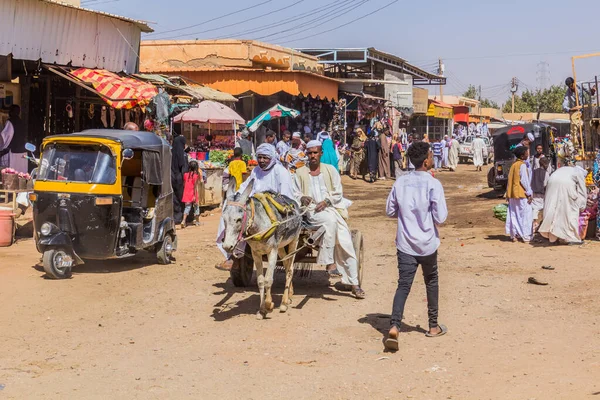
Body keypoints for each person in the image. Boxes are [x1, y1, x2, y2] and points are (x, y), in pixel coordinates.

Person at [384, 141, 448, 351]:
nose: (432, 158)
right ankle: (432, 326)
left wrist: (406, 216)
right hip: (428, 243)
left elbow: (390, 210)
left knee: (404, 285)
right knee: (431, 281)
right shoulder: (433, 184)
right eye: (431, 155)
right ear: (426, 160)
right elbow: (441, 217)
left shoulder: (400, 182)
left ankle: (394, 326)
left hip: (405, 243)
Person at [294, 140, 366, 299]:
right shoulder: (299, 173)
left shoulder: (330, 170)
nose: (312, 156)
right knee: (330, 222)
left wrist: (326, 202)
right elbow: (294, 193)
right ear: (307, 154)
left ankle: (354, 284)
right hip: (310, 211)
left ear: (321, 153)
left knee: (346, 243)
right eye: (310, 153)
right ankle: (329, 262)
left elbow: (338, 192)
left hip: (331, 209)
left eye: (315, 152)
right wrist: (302, 198)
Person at [216, 143, 296, 268]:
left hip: (272, 209)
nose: (262, 161)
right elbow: (245, 187)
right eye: (259, 157)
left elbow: (286, 196)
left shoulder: (281, 172)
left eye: (265, 158)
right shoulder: (256, 171)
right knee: (232, 212)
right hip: (254, 205)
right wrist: (235, 198)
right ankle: (232, 252)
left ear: (272, 158)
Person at [538, 166, 588, 245]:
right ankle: (572, 238)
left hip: (552, 183)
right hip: (566, 185)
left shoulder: (564, 170)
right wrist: (582, 205)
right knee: (570, 212)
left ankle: (553, 239)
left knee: (553, 210)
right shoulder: (579, 173)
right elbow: (582, 191)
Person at [505, 146, 533, 243]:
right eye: (526, 152)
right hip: (521, 194)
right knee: (525, 215)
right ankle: (525, 236)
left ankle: (514, 235)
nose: (528, 154)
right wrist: (529, 193)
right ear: (522, 155)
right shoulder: (522, 165)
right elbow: (524, 181)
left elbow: (509, 181)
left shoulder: (513, 165)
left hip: (512, 194)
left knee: (514, 214)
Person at [562, 77, 594, 150]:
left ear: (574, 83)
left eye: (571, 85)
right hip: (576, 111)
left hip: (584, 109)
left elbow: (590, 93)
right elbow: (564, 105)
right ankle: (575, 147)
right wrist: (571, 109)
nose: (571, 87)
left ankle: (589, 146)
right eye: (569, 86)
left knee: (588, 126)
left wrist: (592, 91)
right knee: (573, 128)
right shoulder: (568, 92)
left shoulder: (581, 84)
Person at [0, 105, 27, 172]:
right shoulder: (22, 122)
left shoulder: (10, 121)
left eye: (10, 111)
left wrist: (2, 149)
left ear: (12, 112)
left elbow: (5, 137)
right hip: (22, 152)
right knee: (21, 173)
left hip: (13, 153)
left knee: (11, 174)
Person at [171, 131, 188, 225]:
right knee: (182, 198)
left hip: (171, 177)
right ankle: (184, 217)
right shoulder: (182, 154)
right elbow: (184, 168)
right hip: (180, 179)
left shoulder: (170, 152)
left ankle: (176, 217)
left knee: (174, 198)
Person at [531, 156, 551, 233]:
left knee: (535, 209)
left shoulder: (533, 172)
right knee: (544, 209)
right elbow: (546, 184)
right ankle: (541, 225)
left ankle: (534, 224)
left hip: (534, 193)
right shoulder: (545, 173)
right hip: (542, 194)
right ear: (545, 164)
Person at [181, 160, 202, 229]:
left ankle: (183, 221)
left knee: (187, 208)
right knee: (196, 208)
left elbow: (184, 184)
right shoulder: (196, 176)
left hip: (186, 193)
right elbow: (195, 186)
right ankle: (197, 221)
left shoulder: (185, 175)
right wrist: (195, 195)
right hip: (193, 193)